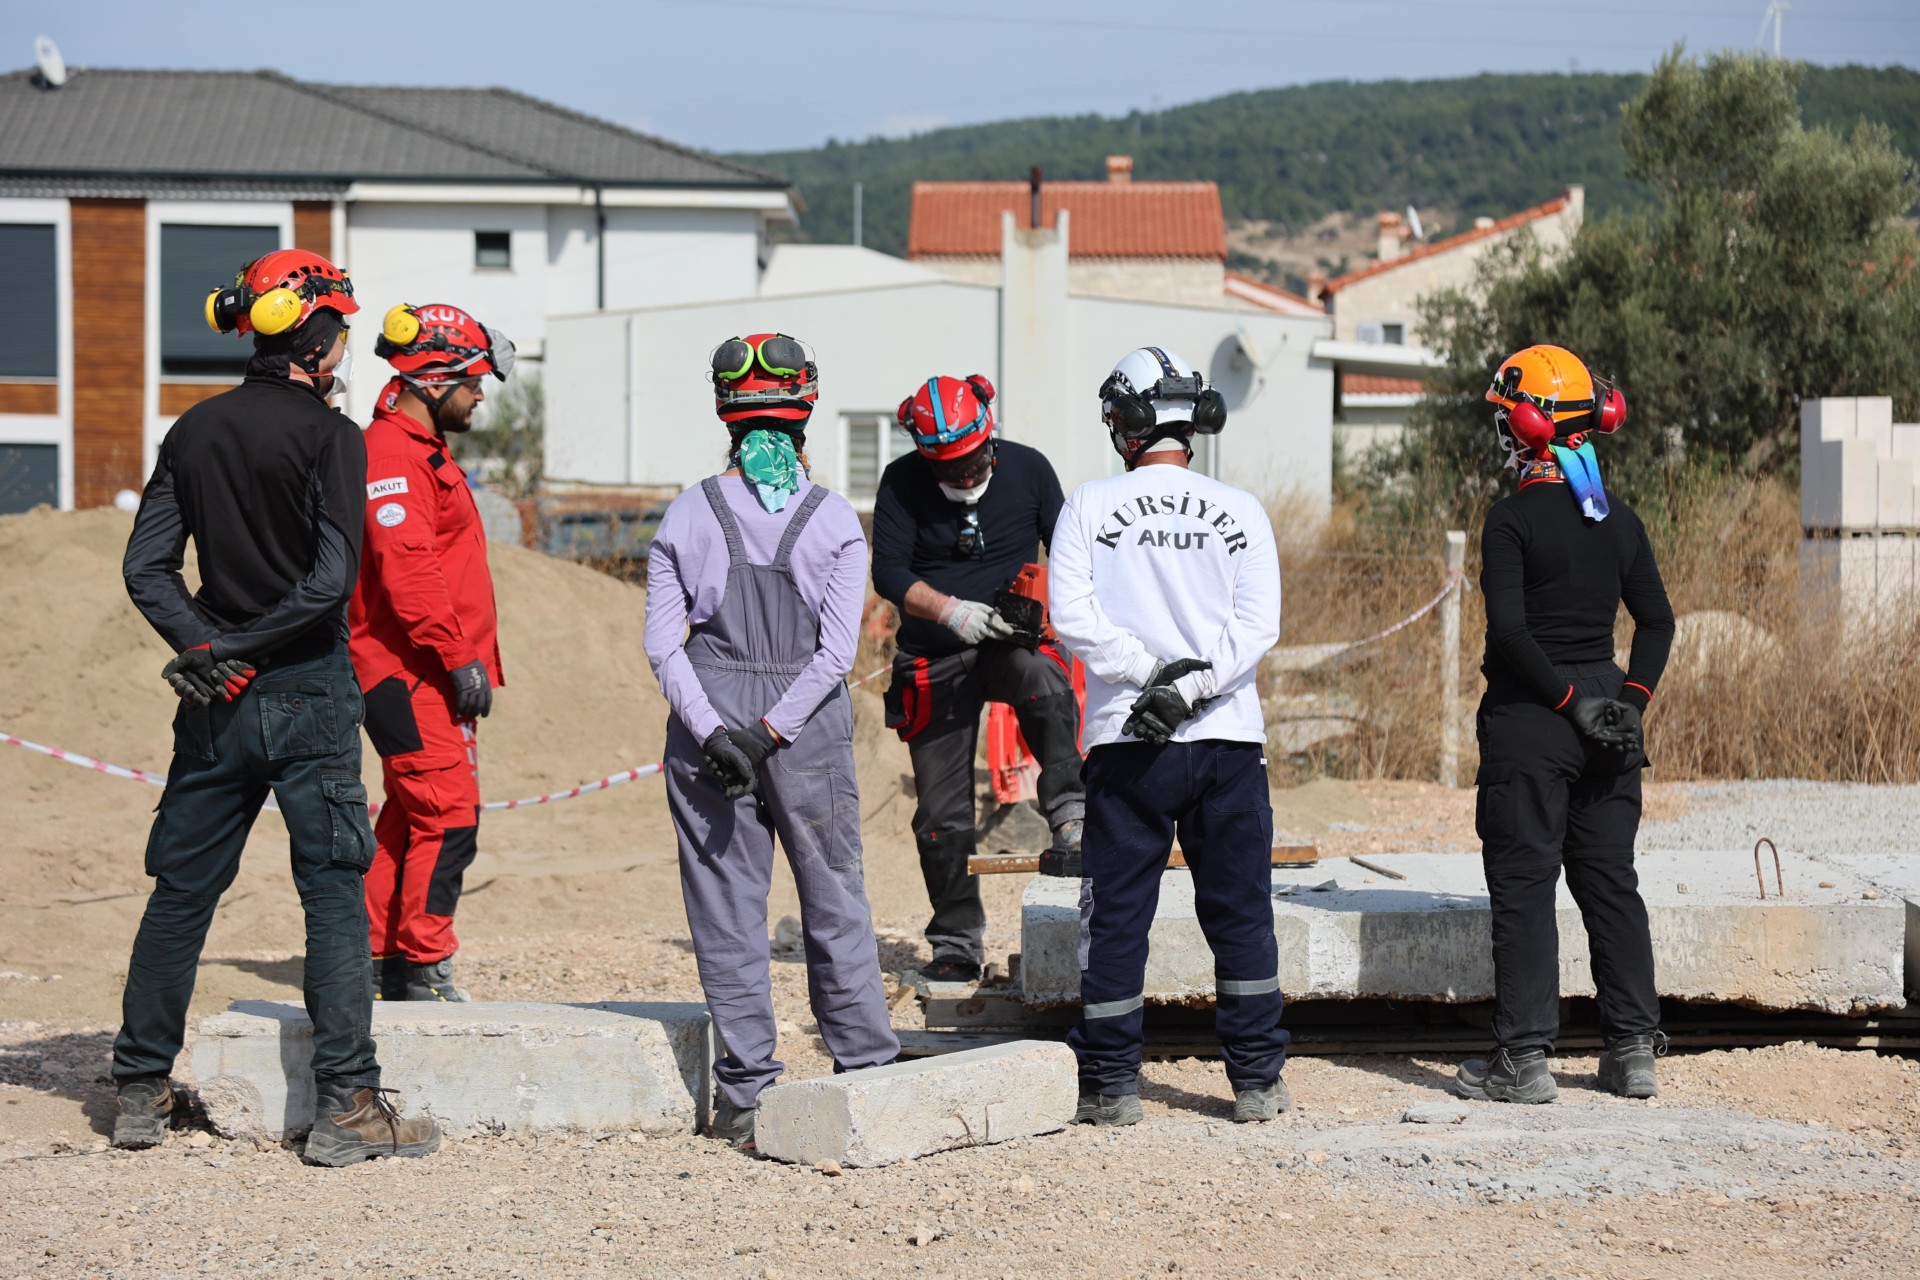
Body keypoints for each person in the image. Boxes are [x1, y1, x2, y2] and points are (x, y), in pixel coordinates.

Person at [117, 249, 439, 1164]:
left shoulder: (196, 429)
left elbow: (146, 568)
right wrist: (244, 649)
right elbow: (333, 582)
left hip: (216, 698)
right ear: (322, 339)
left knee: (181, 893)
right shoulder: (334, 438)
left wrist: (206, 648)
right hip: (302, 687)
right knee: (335, 895)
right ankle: (346, 1110)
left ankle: (138, 1092)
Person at [645, 332, 899, 1152]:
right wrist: (767, 734)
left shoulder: (684, 513)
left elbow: (662, 644)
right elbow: (837, 654)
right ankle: (866, 1072)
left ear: (726, 412)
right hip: (804, 721)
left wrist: (716, 731)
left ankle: (748, 1094)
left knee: (725, 910)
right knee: (834, 898)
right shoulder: (835, 521)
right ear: (806, 409)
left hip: (705, 721)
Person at [1048, 346, 1288, 1127]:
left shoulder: (1087, 506)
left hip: (1127, 745)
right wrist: (1190, 686)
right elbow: (1258, 628)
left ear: (1126, 420)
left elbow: (1072, 621)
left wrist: (1149, 676)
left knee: (1117, 916)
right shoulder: (1241, 509)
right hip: (1227, 743)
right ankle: (1256, 1083)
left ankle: (1112, 1085)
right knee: (1242, 915)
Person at [1454, 344, 1675, 1104]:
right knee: (1610, 882)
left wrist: (1565, 705)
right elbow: (1657, 622)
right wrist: (1627, 703)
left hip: (1531, 721)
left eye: (1503, 416)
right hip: (1611, 718)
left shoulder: (1510, 520)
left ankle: (1523, 1060)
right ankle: (1632, 1051)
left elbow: (1512, 636)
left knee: (1524, 885)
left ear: (1529, 424)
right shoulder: (1618, 519)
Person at [871, 373, 1085, 984]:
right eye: (949, 470)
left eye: (971, 462)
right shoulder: (903, 482)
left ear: (988, 434)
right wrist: (948, 610)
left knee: (1043, 676)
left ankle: (1071, 813)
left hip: (1008, 644)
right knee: (940, 818)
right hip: (934, 655)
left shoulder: (1029, 470)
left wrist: (1059, 616)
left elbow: (1069, 553)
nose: (964, 478)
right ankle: (957, 940)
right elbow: (887, 570)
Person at [349, 303, 514, 1002]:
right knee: (449, 819)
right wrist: (456, 656)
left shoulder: (421, 452)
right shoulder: (393, 456)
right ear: (436, 378)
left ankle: (377, 961)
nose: (480, 395)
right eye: (474, 381)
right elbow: (406, 566)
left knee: (408, 817)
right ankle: (424, 970)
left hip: (423, 674)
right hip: (407, 674)